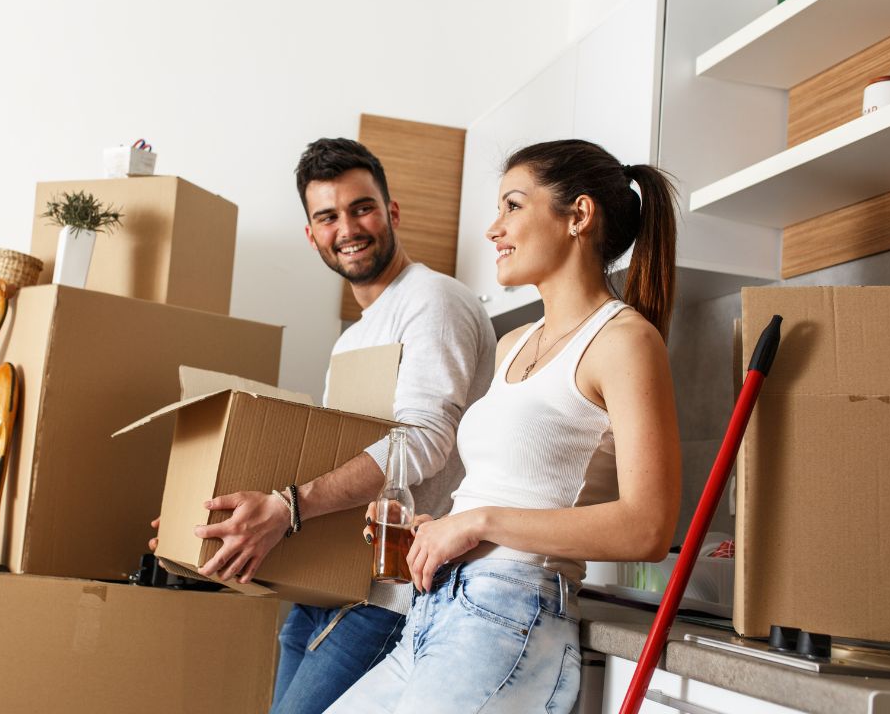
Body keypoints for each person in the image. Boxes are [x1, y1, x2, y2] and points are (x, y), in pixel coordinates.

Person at [328, 139, 683, 713]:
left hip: (509, 618)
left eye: (512, 206)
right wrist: (433, 528)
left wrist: (479, 523)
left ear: (579, 215)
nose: (494, 228)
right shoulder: (513, 343)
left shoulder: (625, 342)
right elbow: (502, 489)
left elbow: (647, 528)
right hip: (435, 609)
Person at [151, 137, 496, 714]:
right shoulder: (353, 339)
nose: (348, 228)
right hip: (329, 587)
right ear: (312, 235)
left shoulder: (433, 301)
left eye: (361, 207)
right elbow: (327, 466)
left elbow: (427, 441)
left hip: (391, 596)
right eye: (327, 216)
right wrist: (204, 521)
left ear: (392, 212)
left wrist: (285, 507)